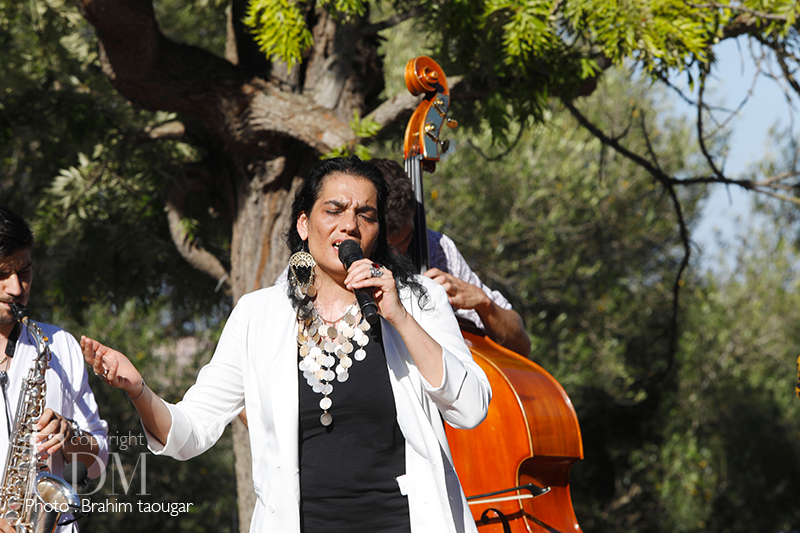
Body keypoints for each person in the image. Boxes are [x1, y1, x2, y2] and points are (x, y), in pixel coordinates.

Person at [81, 156, 491, 533]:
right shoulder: (258, 315)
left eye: (365, 215)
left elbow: (471, 408)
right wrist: (138, 389)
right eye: (334, 210)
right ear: (303, 224)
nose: (350, 225)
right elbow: (190, 432)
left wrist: (399, 317)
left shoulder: (419, 300)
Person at [0, 206, 109, 533]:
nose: (17, 288)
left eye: (25, 271)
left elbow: (97, 462)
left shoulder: (59, 345)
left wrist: (70, 435)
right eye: (2, 274)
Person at [370, 159, 532, 356]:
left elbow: (520, 346)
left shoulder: (437, 248)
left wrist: (484, 303)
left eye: (404, 240)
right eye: (386, 247)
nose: (397, 254)